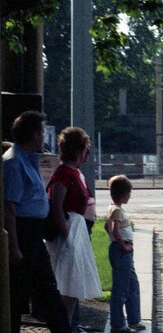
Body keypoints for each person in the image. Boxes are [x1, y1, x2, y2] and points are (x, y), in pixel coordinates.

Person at [4, 110, 70, 333]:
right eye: (41, 132)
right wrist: (13, 247)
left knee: (46, 289)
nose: (44, 136)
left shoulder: (28, 160)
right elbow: (9, 208)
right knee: (20, 292)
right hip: (23, 234)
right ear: (33, 135)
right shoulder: (14, 163)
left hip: (33, 233)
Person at [45, 127, 102, 326]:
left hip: (76, 230)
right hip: (67, 232)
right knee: (66, 284)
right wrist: (68, 236)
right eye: (86, 150)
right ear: (78, 150)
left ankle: (67, 325)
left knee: (73, 286)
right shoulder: (63, 173)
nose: (87, 155)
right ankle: (63, 325)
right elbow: (57, 206)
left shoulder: (74, 172)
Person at [105, 175, 144, 333]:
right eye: (129, 193)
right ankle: (118, 323)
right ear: (123, 193)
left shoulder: (114, 209)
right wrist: (122, 244)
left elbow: (107, 228)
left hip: (124, 250)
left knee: (132, 285)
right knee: (121, 288)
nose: (130, 196)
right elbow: (114, 230)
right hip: (122, 251)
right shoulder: (116, 210)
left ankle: (134, 319)